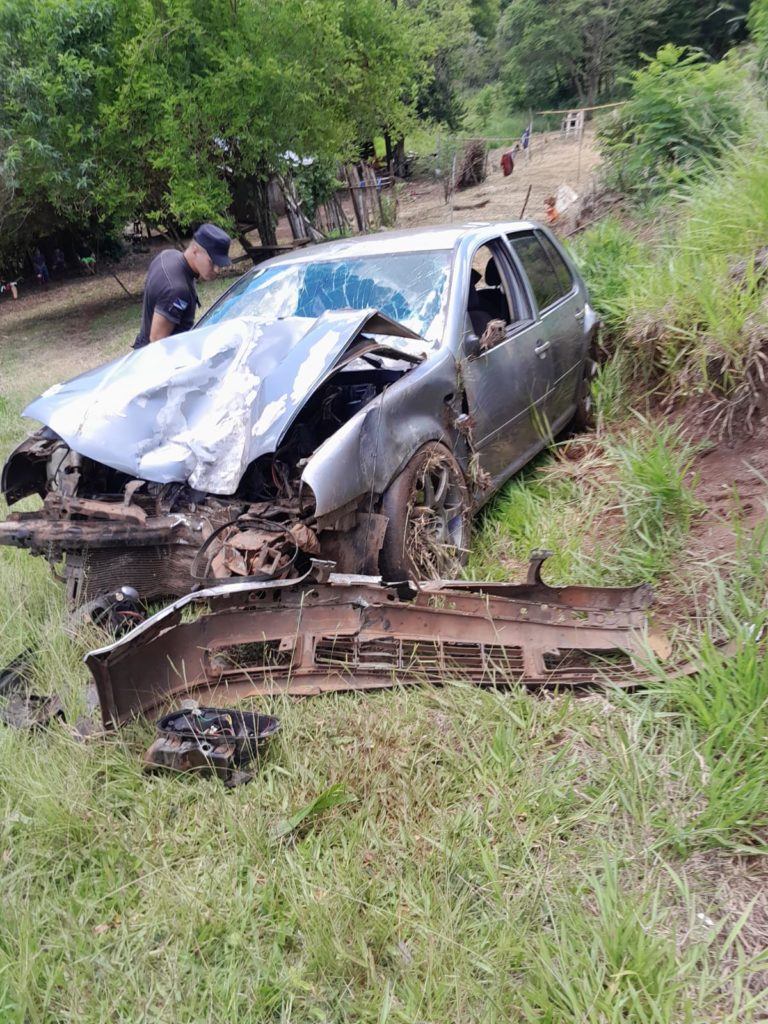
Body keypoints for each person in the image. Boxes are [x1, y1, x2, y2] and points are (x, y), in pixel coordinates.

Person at [132, 223, 232, 350]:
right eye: (212, 262)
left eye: (220, 264)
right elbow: (157, 341)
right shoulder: (177, 290)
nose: (217, 270)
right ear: (195, 250)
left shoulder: (168, 255)